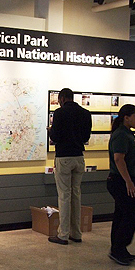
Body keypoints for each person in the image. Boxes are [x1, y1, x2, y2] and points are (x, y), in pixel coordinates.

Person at [106, 104, 135, 265]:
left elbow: (128, 155)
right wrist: (128, 182)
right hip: (120, 181)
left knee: (121, 215)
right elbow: (119, 159)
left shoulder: (128, 134)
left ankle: (118, 249)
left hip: (125, 180)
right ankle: (119, 248)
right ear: (126, 118)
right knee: (131, 216)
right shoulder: (121, 135)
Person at [48, 88, 92, 245]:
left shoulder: (60, 113)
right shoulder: (85, 113)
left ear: (61, 99)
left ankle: (63, 234)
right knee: (76, 194)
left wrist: (51, 131)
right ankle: (76, 233)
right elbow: (86, 137)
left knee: (64, 196)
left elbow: (55, 136)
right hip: (79, 157)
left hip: (64, 157)